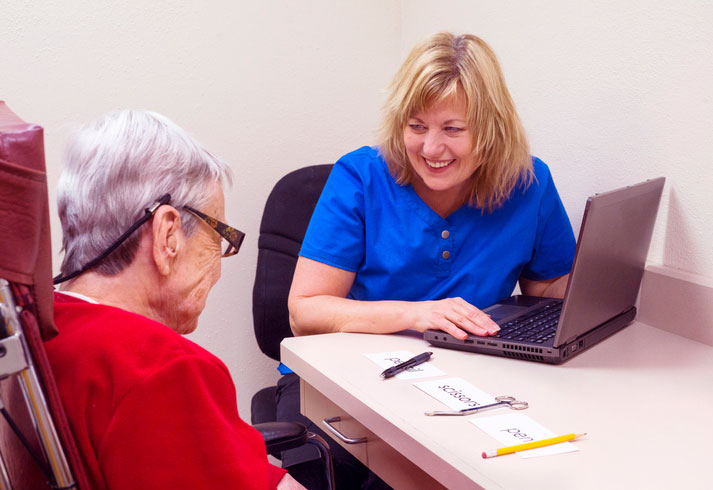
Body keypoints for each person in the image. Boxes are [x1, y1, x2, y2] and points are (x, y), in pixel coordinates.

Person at [283, 32, 576, 487]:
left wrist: (601, 287)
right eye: (416, 126)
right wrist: (418, 314)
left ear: (492, 128)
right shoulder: (361, 177)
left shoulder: (528, 183)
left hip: (467, 385)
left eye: (453, 129)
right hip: (345, 383)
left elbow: (552, 294)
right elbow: (304, 313)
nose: (431, 149)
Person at [45, 109, 304, 490]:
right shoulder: (160, 371)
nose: (217, 268)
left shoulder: (42, 325)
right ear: (168, 235)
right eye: (218, 237)